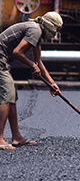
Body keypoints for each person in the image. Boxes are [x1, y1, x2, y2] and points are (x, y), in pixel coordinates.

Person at [0, 12, 62, 150]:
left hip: (3, 59)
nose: (55, 34)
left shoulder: (37, 32)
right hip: (0, 57)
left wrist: (52, 84)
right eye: (56, 30)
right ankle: (0, 139)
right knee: (6, 96)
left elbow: (38, 61)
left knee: (12, 96)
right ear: (50, 27)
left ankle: (16, 137)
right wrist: (31, 65)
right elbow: (17, 52)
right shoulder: (35, 30)